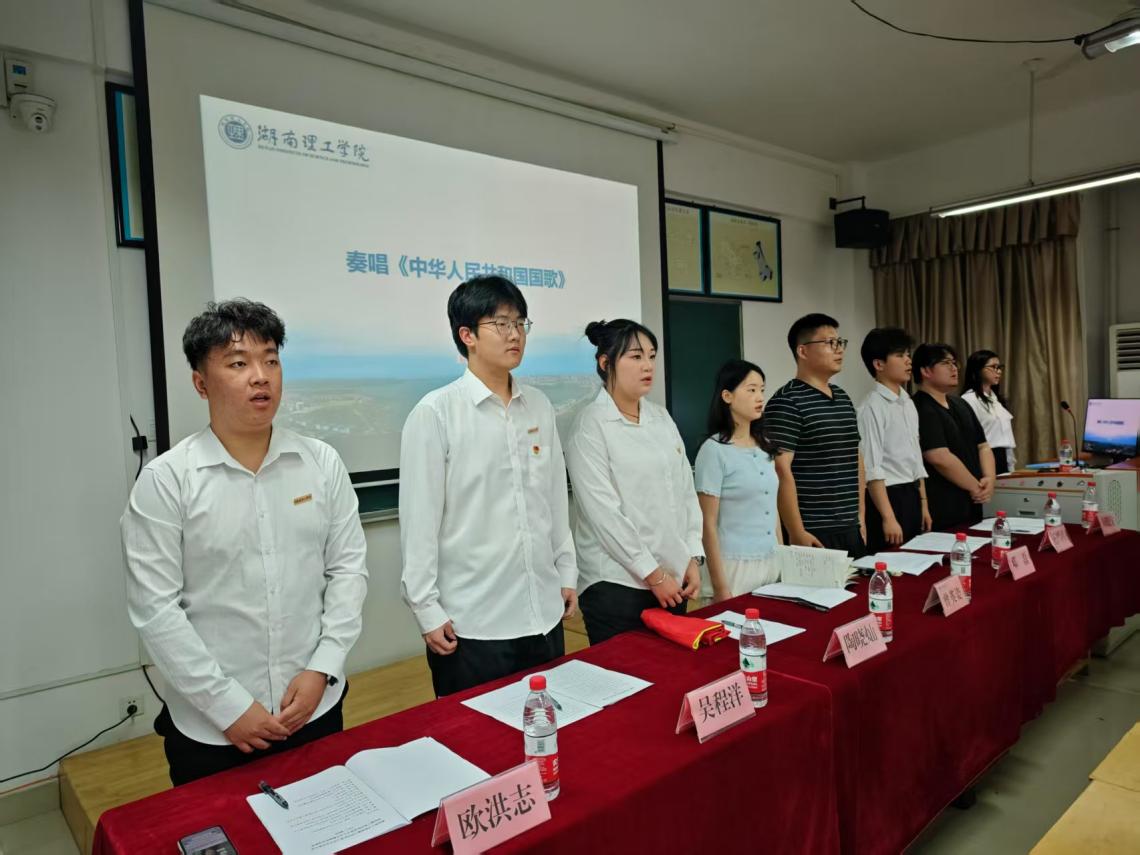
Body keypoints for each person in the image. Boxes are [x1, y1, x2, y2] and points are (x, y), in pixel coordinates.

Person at [122, 300, 368, 786]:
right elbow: (156, 610)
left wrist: (323, 667)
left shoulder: (321, 462)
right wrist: (227, 706)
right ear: (201, 383)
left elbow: (348, 571)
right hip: (212, 729)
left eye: (271, 360)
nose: (261, 376)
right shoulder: (167, 480)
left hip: (314, 705)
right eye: (238, 364)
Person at [399, 276, 577, 698]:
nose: (515, 334)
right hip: (473, 624)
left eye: (520, 323)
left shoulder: (539, 406)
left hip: (543, 611)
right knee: (476, 739)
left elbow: (553, 499)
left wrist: (566, 571)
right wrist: (426, 608)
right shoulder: (436, 413)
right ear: (467, 336)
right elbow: (420, 522)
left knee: (548, 725)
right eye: (500, 324)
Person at [565, 319, 702, 644]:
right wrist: (653, 574)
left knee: (671, 672)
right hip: (616, 584)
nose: (648, 366)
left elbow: (685, 492)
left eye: (652, 356)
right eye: (636, 357)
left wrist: (692, 557)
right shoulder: (590, 425)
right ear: (605, 363)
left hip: (672, 579)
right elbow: (605, 516)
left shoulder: (661, 418)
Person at [764, 313, 866, 556]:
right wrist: (796, 530)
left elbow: (856, 457)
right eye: (830, 343)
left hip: (850, 525)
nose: (839, 349)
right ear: (803, 351)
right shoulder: (786, 401)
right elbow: (780, 469)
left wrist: (860, 517)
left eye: (840, 342)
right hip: (813, 530)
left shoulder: (843, 397)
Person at [694, 359, 782, 602]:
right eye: (751, 390)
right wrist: (721, 587)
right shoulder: (714, 450)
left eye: (762, 390)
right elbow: (707, 524)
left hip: (771, 562)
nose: (759, 397)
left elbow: (772, 509)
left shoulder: (765, 447)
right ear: (727, 396)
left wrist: (782, 559)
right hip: (732, 567)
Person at [856, 328, 932, 553]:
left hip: (912, 494)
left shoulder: (908, 402)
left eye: (908, 354)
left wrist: (923, 505)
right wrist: (888, 517)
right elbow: (872, 468)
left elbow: (916, 458)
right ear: (879, 364)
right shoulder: (871, 407)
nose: (908, 360)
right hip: (888, 497)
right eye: (900, 355)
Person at [912, 343, 996, 528]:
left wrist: (989, 479)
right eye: (945, 363)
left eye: (954, 362)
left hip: (972, 499)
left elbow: (983, 446)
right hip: (943, 503)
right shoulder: (919, 407)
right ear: (925, 371)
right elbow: (938, 456)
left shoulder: (960, 403)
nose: (954, 368)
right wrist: (976, 487)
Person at [961, 350, 1016, 474]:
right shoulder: (969, 399)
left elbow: (1006, 438)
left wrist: (1011, 466)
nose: (998, 371)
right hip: (984, 458)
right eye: (993, 367)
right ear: (977, 369)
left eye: (999, 367)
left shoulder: (996, 399)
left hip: (1003, 459)